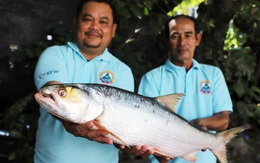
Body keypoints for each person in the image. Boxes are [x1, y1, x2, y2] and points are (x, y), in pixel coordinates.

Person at [33, 0, 137, 162]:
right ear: (76, 22)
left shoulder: (122, 71)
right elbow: (51, 89)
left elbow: (120, 125)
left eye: (103, 22)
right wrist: (71, 123)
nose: (95, 26)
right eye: (88, 19)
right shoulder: (55, 54)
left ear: (113, 29)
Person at [138, 15, 233, 163]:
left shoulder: (213, 74)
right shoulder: (151, 78)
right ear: (167, 40)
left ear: (198, 39)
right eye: (175, 36)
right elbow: (145, 128)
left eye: (188, 35)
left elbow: (224, 120)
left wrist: (203, 122)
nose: (182, 42)